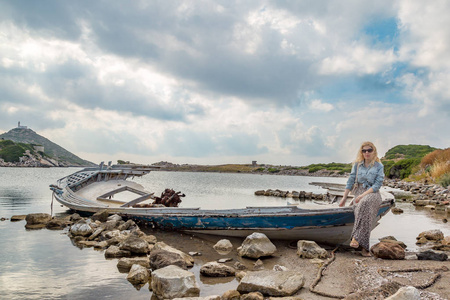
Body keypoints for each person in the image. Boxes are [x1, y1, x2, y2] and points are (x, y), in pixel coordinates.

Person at [339, 141, 385, 257]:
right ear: (361, 152)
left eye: (369, 150)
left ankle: (355, 237)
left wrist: (363, 195)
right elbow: (350, 181)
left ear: (374, 151)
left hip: (372, 193)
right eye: (364, 151)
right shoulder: (357, 165)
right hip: (358, 192)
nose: (366, 153)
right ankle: (364, 248)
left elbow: (377, 185)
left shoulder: (379, 166)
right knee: (365, 211)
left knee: (364, 202)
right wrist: (344, 197)